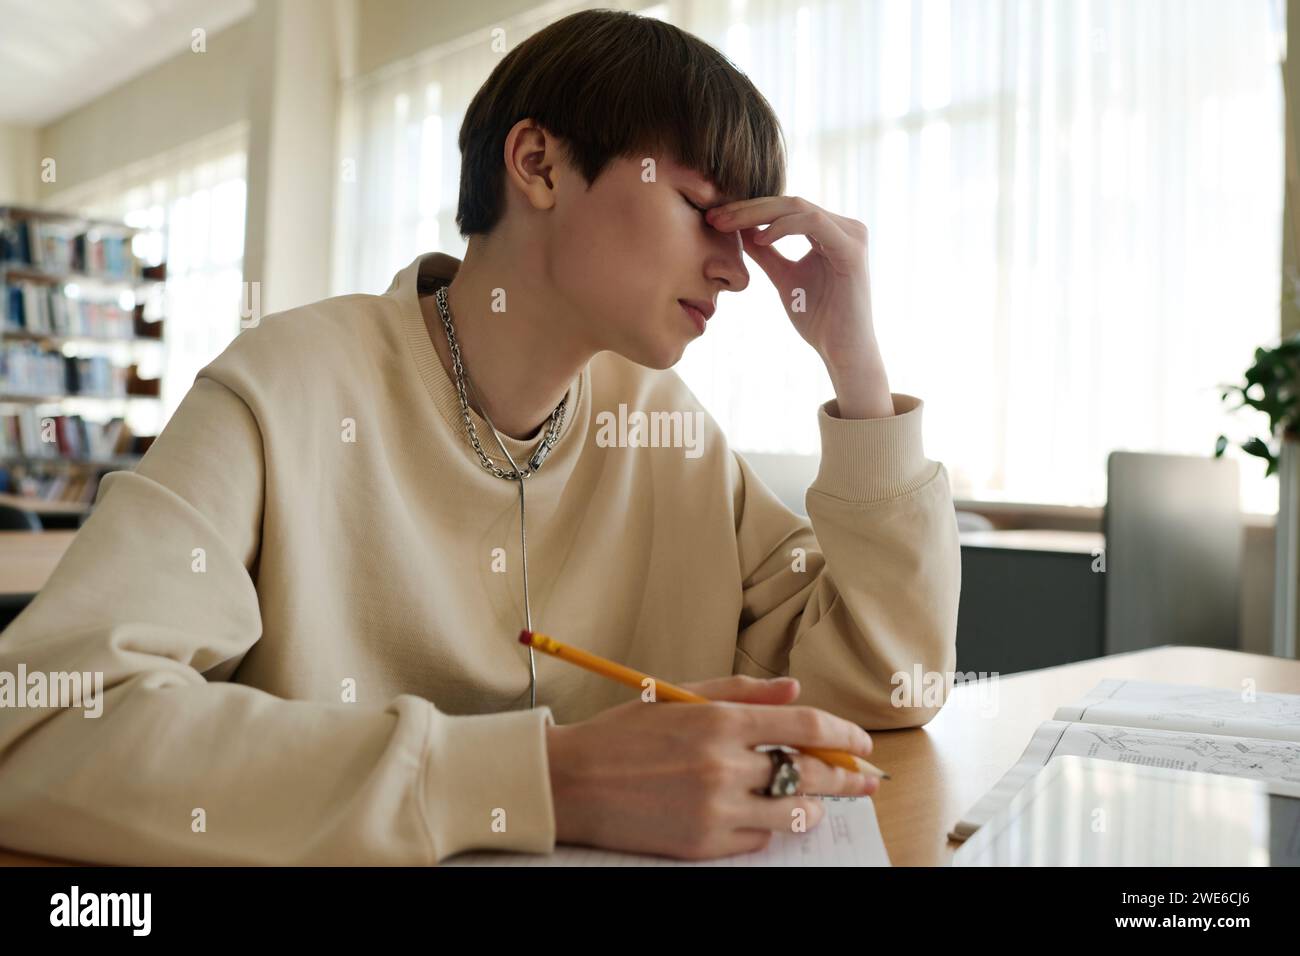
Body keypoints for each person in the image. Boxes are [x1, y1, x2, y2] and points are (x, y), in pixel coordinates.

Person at [0, 9, 959, 865]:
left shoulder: (665, 428)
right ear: (537, 162)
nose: (737, 270)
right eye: (704, 209)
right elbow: (41, 730)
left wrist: (858, 374)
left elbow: (884, 688)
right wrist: (553, 778)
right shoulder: (285, 389)